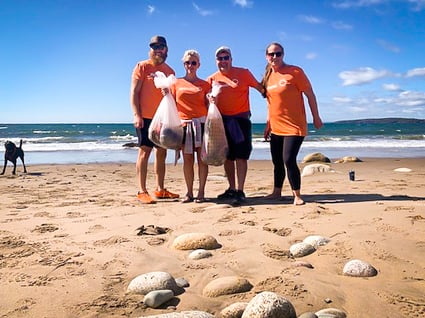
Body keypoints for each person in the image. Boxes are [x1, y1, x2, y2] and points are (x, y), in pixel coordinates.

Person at [261, 42, 323, 205]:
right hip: (276, 126)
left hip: (294, 125)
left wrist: (316, 117)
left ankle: (297, 195)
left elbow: (310, 95)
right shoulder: (268, 76)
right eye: (271, 54)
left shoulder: (295, 72)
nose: (274, 57)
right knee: (277, 161)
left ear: (283, 54)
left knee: (288, 159)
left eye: (278, 54)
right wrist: (268, 123)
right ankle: (277, 192)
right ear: (266, 56)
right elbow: (271, 102)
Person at [207, 46, 264, 205]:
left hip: (241, 120)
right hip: (222, 122)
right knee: (228, 157)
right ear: (216, 61)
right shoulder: (211, 79)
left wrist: (275, 109)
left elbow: (261, 89)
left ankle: (240, 190)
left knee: (241, 156)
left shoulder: (243, 73)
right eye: (220, 58)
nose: (223, 61)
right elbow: (202, 100)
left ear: (231, 59)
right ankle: (231, 188)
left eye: (226, 58)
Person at [130, 35, 180, 204]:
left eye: (160, 47)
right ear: (150, 50)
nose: (157, 50)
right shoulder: (142, 67)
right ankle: (141, 191)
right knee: (144, 151)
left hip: (162, 119)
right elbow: (134, 92)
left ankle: (160, 189)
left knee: (161, 153)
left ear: (166, 50)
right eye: (154, 47)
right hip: (145, 117)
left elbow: (172, 98)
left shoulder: (170, 71)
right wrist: (137, 114)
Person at [171, 50, 211, 203]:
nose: (190, 65)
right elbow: (171, 104)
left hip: (201, 124)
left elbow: (209, 106)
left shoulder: (205, 84)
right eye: (188, 62)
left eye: (194, 62)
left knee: (202, 160)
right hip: (184, 125)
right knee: (188, 160)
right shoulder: (176, 83)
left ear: (199, 65)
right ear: (184, 64)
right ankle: (189, 193)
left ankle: (201, 192)